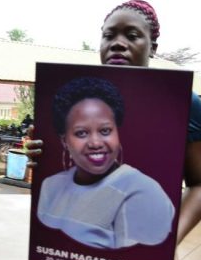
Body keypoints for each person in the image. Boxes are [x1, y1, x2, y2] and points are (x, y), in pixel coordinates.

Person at [17, 0, 201, 260]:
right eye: (109, 35)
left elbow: (200, 184)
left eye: (132, 35)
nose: (118, 43)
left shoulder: (182, 102)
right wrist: (41, 158)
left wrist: (167, 247)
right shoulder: (69, 95)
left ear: (153, 46)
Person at [38, 76, 174, 249]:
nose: (95, 143)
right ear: (64, 141)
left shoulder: (142, 192)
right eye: (81, 133)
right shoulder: (50, 186)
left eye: (105, 130)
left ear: (117, 132)